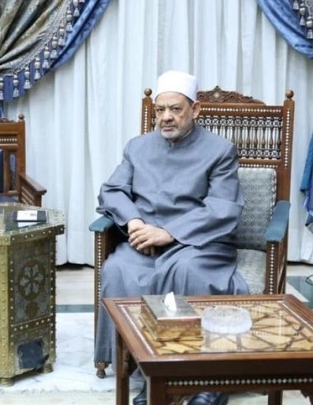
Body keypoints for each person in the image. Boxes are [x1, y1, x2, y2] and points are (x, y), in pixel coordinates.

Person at [94, 70, 247, 405]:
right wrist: (134, 222)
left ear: (195, 110)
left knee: (188, 271)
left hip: (197, 242)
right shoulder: (137, 147)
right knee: (118, 270)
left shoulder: (220, 150)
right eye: (160, 109)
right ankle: (147, 371)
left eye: (175, 109)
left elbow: (222, 207)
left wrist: (168, 233)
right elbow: (113, 190)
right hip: (144, 242)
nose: (166, 117)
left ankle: (205, 379)